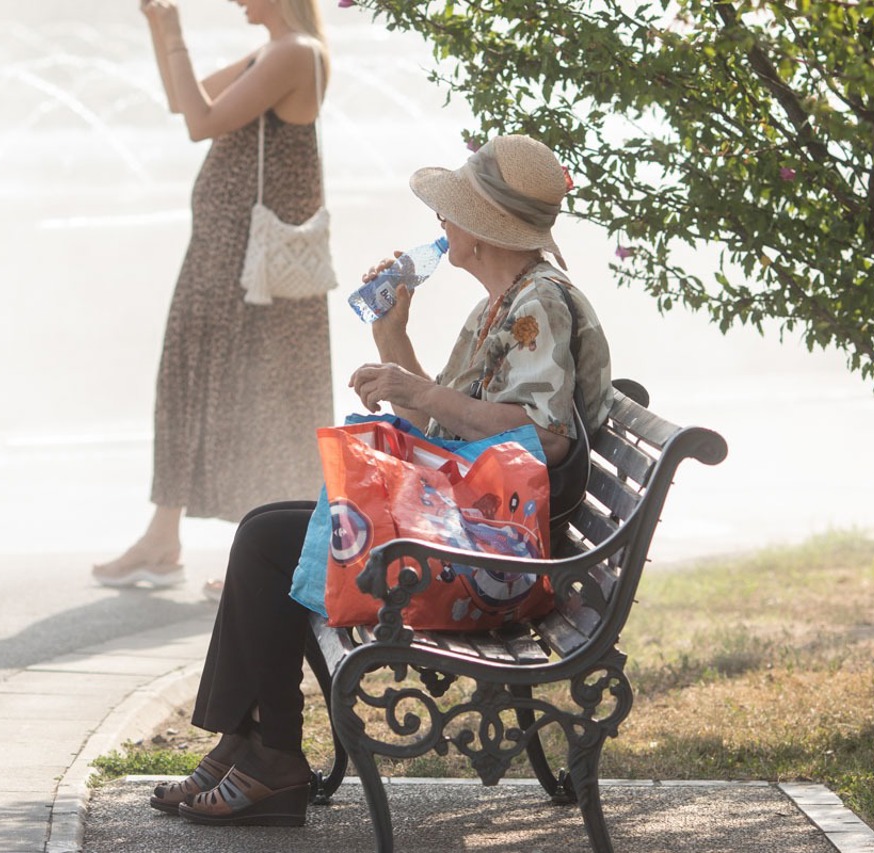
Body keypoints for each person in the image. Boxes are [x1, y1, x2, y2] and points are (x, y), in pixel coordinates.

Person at [146, 134, 614, 826]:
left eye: (451, 212)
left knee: (268, 540)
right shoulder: (508, 301)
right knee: (266, 528)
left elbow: (542, 435)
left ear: (484, 228)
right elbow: (459, 426)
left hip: (492, 556)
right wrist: (393, 337)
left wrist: (413, 391)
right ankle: (248, 742)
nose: (441, 225)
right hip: (480, 527)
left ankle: (268, 752)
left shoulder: (535, 303)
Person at [91, 0, 335, 593]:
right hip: (224, 253)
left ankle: (271, 558)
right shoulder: (269, 52)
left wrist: (174, 30)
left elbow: (200, 124)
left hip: (252, 265)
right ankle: (163, 534)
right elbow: (186, 100)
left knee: (261, 397)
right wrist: (159, 27)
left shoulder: (295, 54)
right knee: (193, 377)